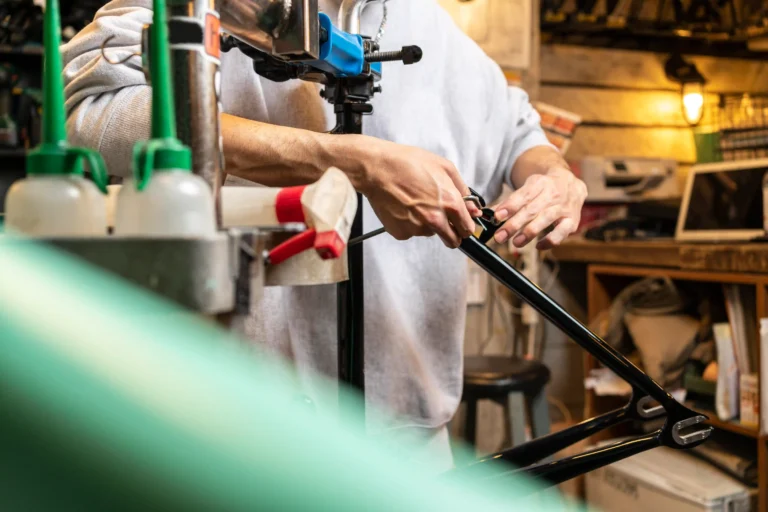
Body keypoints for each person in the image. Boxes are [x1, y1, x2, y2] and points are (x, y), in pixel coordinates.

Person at [63, 0, 587, 471]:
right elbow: (90, 115)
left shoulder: (432, 29)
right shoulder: (200, 6)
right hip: (233, 436)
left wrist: (554, 176)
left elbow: (521, 130)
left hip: (407, 441)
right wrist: (340, 160)